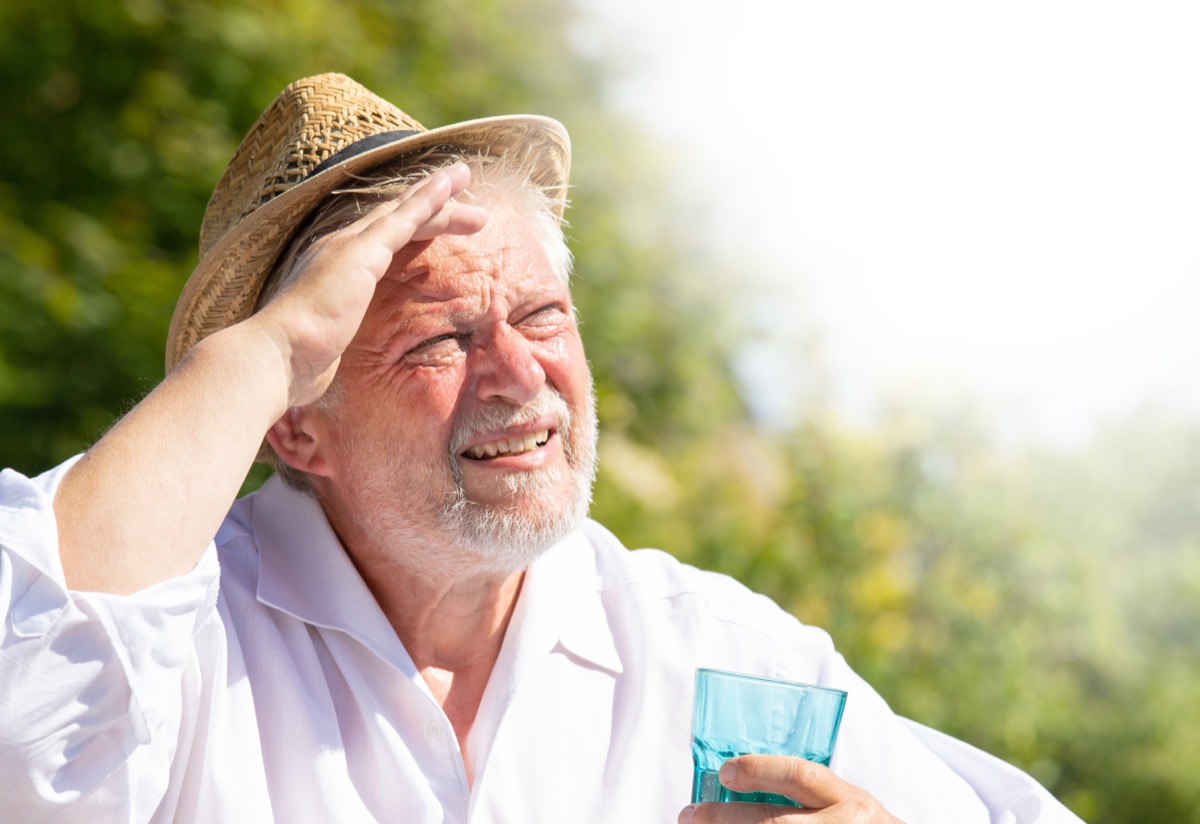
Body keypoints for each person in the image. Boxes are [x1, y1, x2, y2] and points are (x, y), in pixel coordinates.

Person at [0, 73, 1084, 823]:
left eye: (543, 315)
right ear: (294, 419)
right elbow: (21, 735)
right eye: (440, 339)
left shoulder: (718, 649)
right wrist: (260, 349)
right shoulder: (185, 639)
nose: (522, 376)